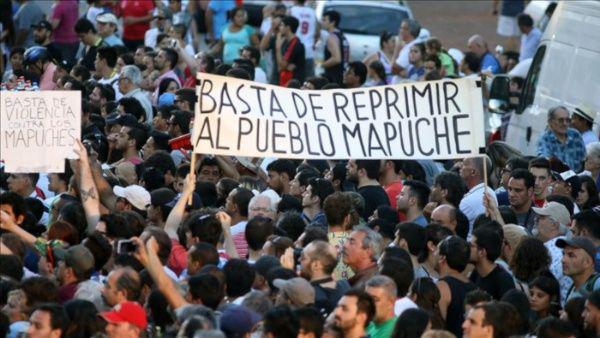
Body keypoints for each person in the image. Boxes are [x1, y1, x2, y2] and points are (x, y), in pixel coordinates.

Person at [436, 236, 477, 337]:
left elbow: (438, 329)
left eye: (437, 251)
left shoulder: (442, 287)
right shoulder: (473, 286)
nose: (434, 254)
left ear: (443, 258)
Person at [469, 227, 515, 300]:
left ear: (482, 252)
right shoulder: (476, 273)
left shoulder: (503, 280)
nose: (467, 249)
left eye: (471, 246)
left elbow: (507, 309)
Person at [537, 106, 586, 172]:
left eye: (568, 120)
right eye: (561, 120)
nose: (565, 123)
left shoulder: (575, 135)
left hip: (577, 179)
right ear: (550, 122)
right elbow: (546, 165)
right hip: (557, 180)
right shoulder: (545, 139)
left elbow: (584, 161)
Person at [557, 237, 600, 301]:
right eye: (563, 254)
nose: (563, 260)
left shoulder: (597, 283)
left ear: (587, 262)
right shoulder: (572, 288)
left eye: (571, 255)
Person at [459, 156, 496, 228]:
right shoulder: (491, 192)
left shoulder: (468, 201)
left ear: (473, 172)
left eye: (464, 164)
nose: (460, 167)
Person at [289, 0, 319, 78]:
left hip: (294, 49)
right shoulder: (312, 12)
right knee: (309, 80)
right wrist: (313, 43)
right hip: (309, 50)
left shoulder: (291, 10)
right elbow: (317, 32)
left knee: (294, 80)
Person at [320, 10, 349, 86]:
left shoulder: (332, 37)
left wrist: (321, 66)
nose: (322, 22)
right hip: (343, 74)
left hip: (334, 77)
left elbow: (336, 59)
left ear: (332, 22)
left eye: (324, 20)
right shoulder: (342, 35)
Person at [276, 15, 306, 86]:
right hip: (284, 79)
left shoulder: (295, 43)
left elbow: (282, 65)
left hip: (292, 82)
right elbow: (280, 67)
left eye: (282, 25)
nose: (279, 28)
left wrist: (278, 47)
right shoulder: (285, 41)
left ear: (288, 27)